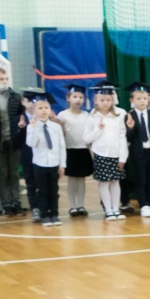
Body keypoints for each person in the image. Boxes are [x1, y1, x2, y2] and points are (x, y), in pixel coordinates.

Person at [84, 83, 129, 221]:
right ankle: (108, 210)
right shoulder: (92, 116)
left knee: (115, 182)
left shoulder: (120, 114)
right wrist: (98, 129)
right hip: (101, 154)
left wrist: (123, 157)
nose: (105, 103)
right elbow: (86, 138)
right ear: (96, 100)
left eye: (108, 100)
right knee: (104, 183)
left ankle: (116, 209)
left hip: (116, 154)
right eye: (102, 100)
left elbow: (123, 137)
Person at [24, 92, 66, 227]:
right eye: (40, 109)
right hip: (40, 164)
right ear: (34, 111)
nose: (43, 111)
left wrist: (62, 165)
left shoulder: (56, 127)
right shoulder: (32, 127)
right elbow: (31, 143)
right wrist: (35, 129)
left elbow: (61, 146)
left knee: (54, 191)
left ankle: (54, 214)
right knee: (42, 191)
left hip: (54, 163)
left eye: (46, 108)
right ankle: (44, 215)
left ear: (50, 110)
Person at [0, 67, 26, 216]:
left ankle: (16, 201)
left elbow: (21, 119)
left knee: (14, 172)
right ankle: (6, 203)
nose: (4, 82)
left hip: (14, 141)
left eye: (6, 79)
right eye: (0, 79)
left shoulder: (16, 97)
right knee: (3, 173)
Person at [123, 83, 150, 217]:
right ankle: (143, 205)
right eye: (139, 99)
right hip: (137, 154)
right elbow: (128, 138)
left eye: (145, 98)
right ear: (132, 100)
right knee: (140, 180)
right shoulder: (129, 116)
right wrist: (131, 128)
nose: (142, 101)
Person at [57, 84, 94, 217]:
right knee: (72, 179)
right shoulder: (62, 115)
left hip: (83, 150)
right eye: (74, 97)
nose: (78, 99)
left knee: (81, 180)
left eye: (80, 97)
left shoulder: (86, 115)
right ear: (68, 98)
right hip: (70, 150)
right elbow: (60, 134)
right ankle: (72, 206)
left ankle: (81, 205)